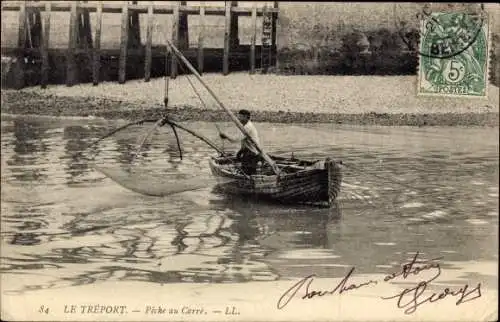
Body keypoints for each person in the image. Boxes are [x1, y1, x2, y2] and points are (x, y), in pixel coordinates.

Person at [219, 109, 261, 175]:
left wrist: (226, 136)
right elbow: (244, 141)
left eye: (240, 117)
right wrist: (240, 151)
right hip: (249, 151)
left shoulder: (248, 127)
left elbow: (236, 139)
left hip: (252, 153)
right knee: (247, 170)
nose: (238, 118)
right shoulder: (245, 126)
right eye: (239, 116)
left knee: (248, 173)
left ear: (245, 117)